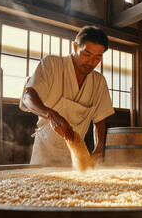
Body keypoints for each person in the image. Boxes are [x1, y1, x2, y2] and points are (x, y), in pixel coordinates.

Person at [19, 26, 115, 165]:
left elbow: (99, 120)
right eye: (86, 54)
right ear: (75, 47)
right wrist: (51, 115)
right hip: (45, 151)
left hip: (74, 157)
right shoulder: (51, 64)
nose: (91, 62)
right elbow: (28, 96)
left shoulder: (99, 81)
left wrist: (99, 148)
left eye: (97, 57)